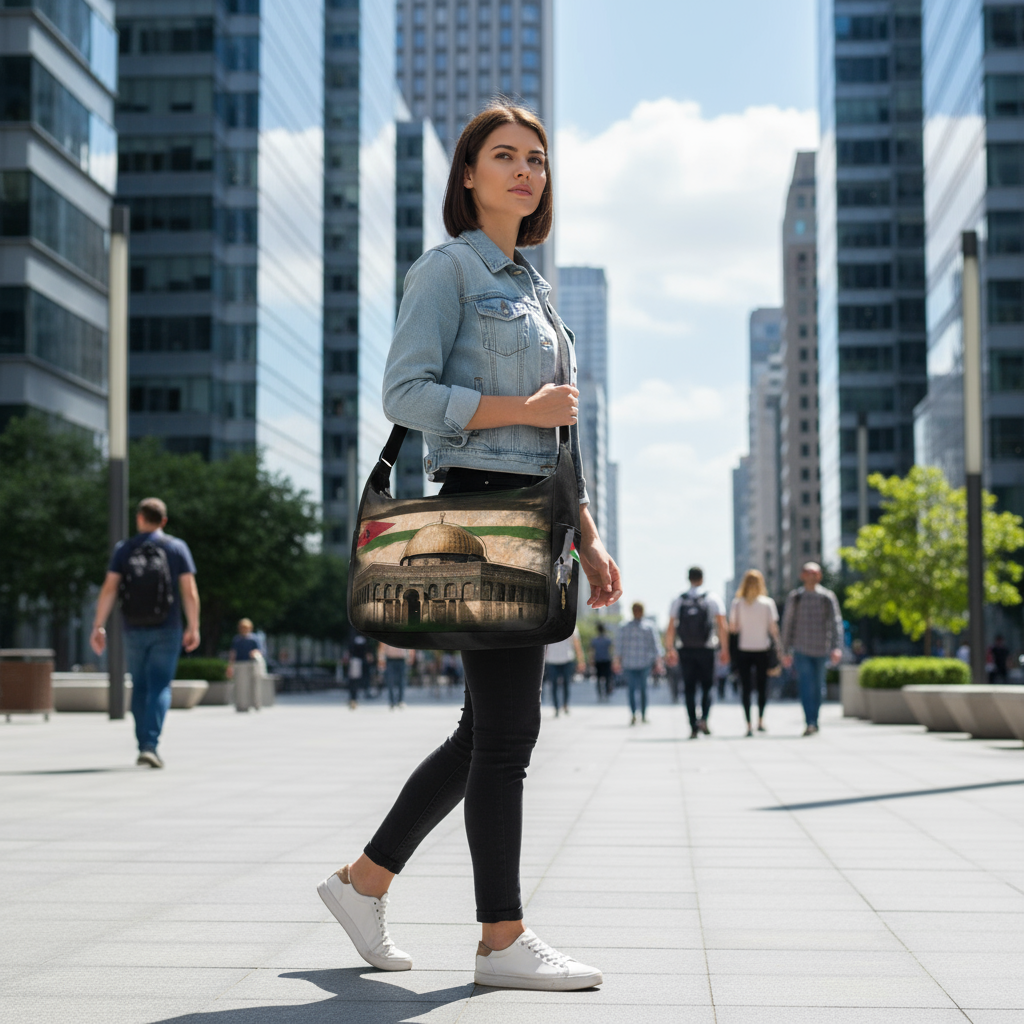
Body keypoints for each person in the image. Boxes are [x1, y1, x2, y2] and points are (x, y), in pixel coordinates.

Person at [316, 103, 621, 992]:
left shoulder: (535, 290)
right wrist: (516, 411)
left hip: (541, 521)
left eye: (537, 159)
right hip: (482, 516)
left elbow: (563, 441)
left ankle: (363, 884)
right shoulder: (448, 270)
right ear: (468, 176)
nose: (526, 171)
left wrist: (592, 540)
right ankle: (501, 940)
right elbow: (404, 393)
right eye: (505, 157)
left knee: (480, 732)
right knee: (506, 737)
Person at [90, 497, 200, 768]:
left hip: (133, 627)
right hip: (167, 627)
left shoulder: (124, 549)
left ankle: (143, 744)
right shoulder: (176, 548)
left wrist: (98, 625)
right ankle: (150, 744)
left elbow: (109, 588)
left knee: (139, 685)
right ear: (163, 521)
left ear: (139, 519)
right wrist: (193, 626)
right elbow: (189, 590)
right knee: (160, 685)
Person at [664, 567, 729, 740]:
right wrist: (725, 650)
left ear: (689, 578)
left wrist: (669, 649)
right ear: (702, 578)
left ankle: (693, 725)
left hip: (685, 649)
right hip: (707, 649)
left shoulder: (679, 599)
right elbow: (722, 626)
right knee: (708, 686)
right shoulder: (712, 598)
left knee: (689, 688)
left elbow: (670, 627)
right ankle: (704, 720)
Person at [780, 562, 844, 736]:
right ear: (802, 575)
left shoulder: (827, 597)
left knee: (819, 688)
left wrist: (837, 648)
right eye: (807, 572)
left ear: (819, 576)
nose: (810, 576)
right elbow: (787, 624)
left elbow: (836, 622)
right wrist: (785, 650)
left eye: (814, 573)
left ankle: (815, 720)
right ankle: (810, 722)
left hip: (822, 649)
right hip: (801, 650)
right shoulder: (795, 597)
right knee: (806, 687)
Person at [729, 570, 780, 737]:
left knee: (745, 688)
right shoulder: (767, 603)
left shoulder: (737, 603)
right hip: (762, 649)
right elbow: (773, 629)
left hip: (744, 649)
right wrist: (780, 649)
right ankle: (760, 721)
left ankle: (748, 724)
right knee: (762, 687)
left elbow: (733, 628)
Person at [614, 602, 663, 725]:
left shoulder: (649, 626)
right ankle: (633, 714)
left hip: (644, 663)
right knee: (630, 689)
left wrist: (658, 661)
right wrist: (617, 661)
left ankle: (644, 714)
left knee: (643, 689)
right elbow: (619, 646)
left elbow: (655, 645)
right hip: (629, 664)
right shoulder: (624, 626)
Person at [545, 626, 585, 717]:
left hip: (567, 659)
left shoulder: (572, 625)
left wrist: (581, 660)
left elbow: (576, 644)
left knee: (566, 684)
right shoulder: (550, 623)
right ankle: (556, 707)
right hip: (552, 660)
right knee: (553, 685)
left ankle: (565, 705)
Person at [228, 617, 262, 712]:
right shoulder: (237, 639)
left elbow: (260, 650)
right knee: (240, 686)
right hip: (240, 664)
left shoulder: (254, 639)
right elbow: (233, 653)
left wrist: (255, 652)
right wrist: (230, 665)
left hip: (251, 664)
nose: (244, 629)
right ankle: (241, 705)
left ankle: (255, 704)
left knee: (253, 685)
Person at [379, 642, 414, 709]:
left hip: (401, 659)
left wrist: (411, 655)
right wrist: (381, 659)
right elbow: (382, 645)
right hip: (390, 659)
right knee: (390, 680)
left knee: (402, 681)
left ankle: (400, 700)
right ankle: (392, 701)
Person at [590, 623, 614, 701]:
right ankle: (606, 694)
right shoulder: (607, 640)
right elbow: (611, 650)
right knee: (607, 678)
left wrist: (591, 660)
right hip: (606, 660)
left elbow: (592, 651)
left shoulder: (595, 640)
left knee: (598, 679)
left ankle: (600, 694)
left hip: (598, 661)